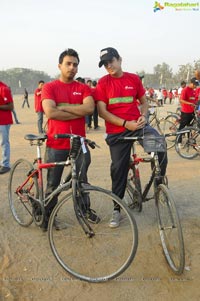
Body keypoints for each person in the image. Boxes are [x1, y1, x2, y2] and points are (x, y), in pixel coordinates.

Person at [95, 47, 168, 228]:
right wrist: (125, 124)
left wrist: (144, 115)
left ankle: (160, 185)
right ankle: (117, 208)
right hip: (118, 131)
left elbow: (143, 103)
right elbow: (102, 112)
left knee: (160, 146)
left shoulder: (133, 79)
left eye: (111, 61)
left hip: (139, 126)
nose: (109, 65)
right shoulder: (103, 83)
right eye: (105, 64)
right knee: (118, 169)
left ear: (120, 59)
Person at [41, 48, 99, 230]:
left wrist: (62, 109)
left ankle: (84, 209)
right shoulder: (50, 87)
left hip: (79, 143)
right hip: (56, 143)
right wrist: (76, 110)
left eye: (75, 65)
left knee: (82, 179)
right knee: (53, 183)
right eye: (68, 64)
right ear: (60, 66)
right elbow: (50, 111)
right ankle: (48, 216)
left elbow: (89, 109)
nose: (72, 68)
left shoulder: (83, 88)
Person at [177, 77, 199, 147]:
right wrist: (190, 104)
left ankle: (189, 141)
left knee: (190, 127)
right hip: (185, 112)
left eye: (196, 85)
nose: (195, 86)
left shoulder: (193, 90)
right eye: (195, 84)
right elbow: (181, 100)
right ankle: (178, 141)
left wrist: (195, 104)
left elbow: (194, 100)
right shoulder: (185, 90)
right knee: (182, 127)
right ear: (191, 83)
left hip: (192, 112)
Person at [0, 81, 13, 174]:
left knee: (4, 142)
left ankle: (5, 164)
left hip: (3, 121)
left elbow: (10, 106)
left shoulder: (4, 89)